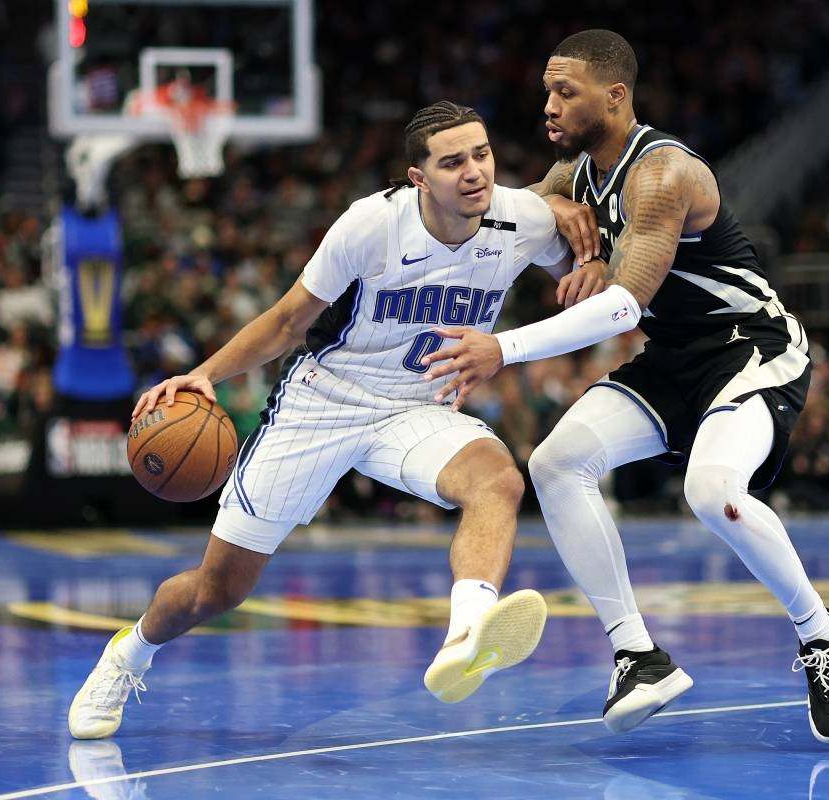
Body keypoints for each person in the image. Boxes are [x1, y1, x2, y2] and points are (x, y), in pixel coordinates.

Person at [68, 101, 608, 739]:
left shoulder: (523, 219)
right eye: (452, 161)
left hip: (415, 405)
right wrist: (207, 374)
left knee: (498, 481)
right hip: (322, 403)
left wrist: (591, 263)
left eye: (482, 154)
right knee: (218, 591)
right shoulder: (369, 226)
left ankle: (466, 633)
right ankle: (127, 654)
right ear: (417, 177)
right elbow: (289, 321)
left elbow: (576, 268)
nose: (474, 173)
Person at [421, 31, 829, 742]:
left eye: (565, 91)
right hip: (672, 357)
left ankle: (821, 634)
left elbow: (623, 306)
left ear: (615, 96)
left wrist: (503, 347)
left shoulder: (662, 174)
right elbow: (509, 225)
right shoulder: (576, 173)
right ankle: (638, 655)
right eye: (546, 90)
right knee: (556, 464)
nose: (549, 105)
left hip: (747, 346)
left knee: (711, 490)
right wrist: (539, 220)